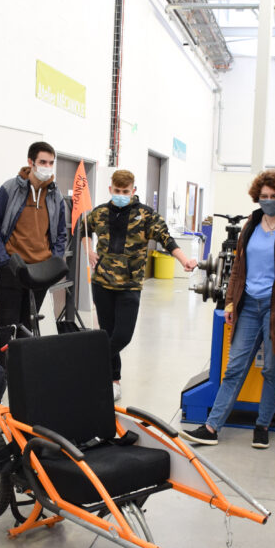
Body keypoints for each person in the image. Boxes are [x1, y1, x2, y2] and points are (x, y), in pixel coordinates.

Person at [184, 170, 275, 448]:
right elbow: (239, 269)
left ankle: (262, 426)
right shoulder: (251, 225)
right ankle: (211, 427)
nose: (267, 201)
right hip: (249, 306)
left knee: (273, 371)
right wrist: (231, 301)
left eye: (274, 197)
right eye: (263, 196)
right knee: (234, 368)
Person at [79, 170, 197, 401]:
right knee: (106, 333)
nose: (121, 195)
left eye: (125, 191)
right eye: (117, 191)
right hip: (102, 283)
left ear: (133, 191)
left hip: (130, 286)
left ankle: (90, 365)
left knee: (122, 335)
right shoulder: (99, 212)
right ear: (110, 189)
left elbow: (167, 239)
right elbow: (82, 229)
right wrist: (88, 250)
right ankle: (113, 381)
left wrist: (185, 261)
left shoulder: (146, 216)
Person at [0, 141, 69, 366]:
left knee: (28, 325)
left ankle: (20, 377)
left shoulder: (55, 195)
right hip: (11, 268)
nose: (47, 167)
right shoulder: (10, 189)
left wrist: (55, 261)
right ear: (30, 162)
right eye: (42, 162)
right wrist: (3, 259)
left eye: (51, 163)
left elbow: (61, 233)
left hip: (40, 271)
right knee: (7, 325)